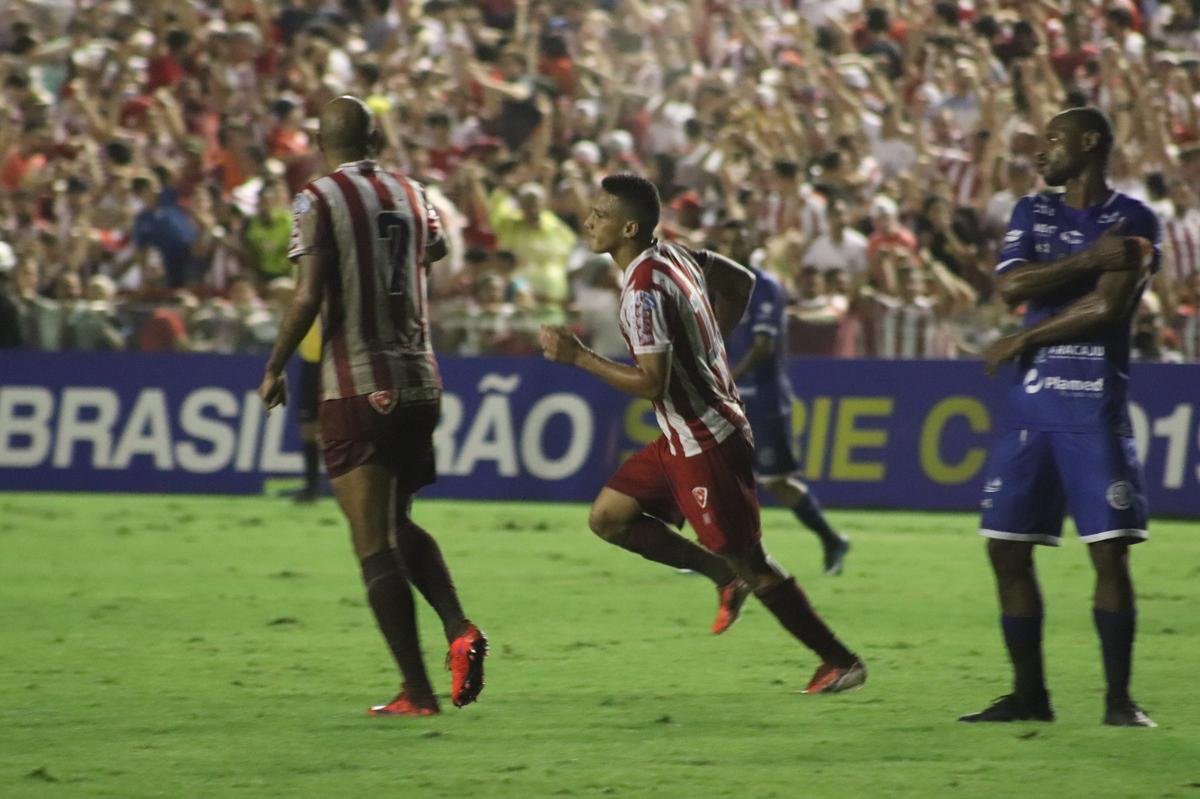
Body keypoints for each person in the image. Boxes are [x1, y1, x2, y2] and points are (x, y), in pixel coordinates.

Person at [539, 174, 866, 694]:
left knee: (752, 561)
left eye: (600, 214)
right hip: (682, 436)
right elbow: (742, 282)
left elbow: (652, 381)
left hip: (706, 441)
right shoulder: (675, 254)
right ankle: (721, 575)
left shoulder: (641, 293)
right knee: (608, 517)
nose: (588, 221)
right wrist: (707, 346)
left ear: (629, 227)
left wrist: (579, 357)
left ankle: (840, 661)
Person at [258, 96, 486, 717]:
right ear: (376, 139)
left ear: (320, 142)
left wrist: (275, 364)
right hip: (420, 378)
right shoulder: (415, 192)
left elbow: (308, 293)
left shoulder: (317, 198)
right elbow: (435, 253)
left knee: (372, 543)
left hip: (358, 382)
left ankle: (418, 692)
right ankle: (459, 628)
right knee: (397, 521)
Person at [962, 108, 1159, 727]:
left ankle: (1119, 702)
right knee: (1005, 549)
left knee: (1109, 553)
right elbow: (1012, 287)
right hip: (1031, 407)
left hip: (1092, 403)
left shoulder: (1135, 219)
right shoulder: (1032, 211)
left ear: (1090, 142)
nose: (1041, 150)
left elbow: (1107, 308)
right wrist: (1089, 260)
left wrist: (1024, 338)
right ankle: (1030, 697)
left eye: (1054, 139)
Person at [720, 222, 852, 574]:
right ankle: (722, 552)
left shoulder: (764, 287)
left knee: (777, 482)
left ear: (752, 244)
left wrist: (727, 379)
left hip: (763, 399)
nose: (733, 247)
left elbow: (763, 346)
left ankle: (832, 539)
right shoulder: (718, 287)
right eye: (729, 242)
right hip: (731, 398)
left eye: (740, 240)